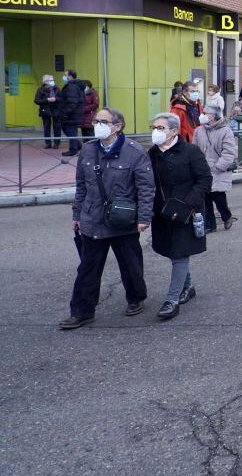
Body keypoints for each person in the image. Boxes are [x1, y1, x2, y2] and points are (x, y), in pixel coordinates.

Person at [60, 107, 154, 330]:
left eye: (103, 121)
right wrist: (77, 214)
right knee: (87, 269)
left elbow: (146, 187)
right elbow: (81, 186)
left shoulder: (134, 151)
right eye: (95, 121)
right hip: (92, 219)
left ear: (117, 126)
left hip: (122, 219)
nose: (97, 125)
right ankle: (81, 312)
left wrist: (144, 217)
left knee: (130, 264)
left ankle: (135, 298)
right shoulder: (88, 150)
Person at [148, 112, 213, 320]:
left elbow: (204, 179)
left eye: (161, 128)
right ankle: (188, 286)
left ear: (174, 131)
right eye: (154, 128)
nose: (156, 132)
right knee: (171, 251)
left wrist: (189, 204)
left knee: (180, 254)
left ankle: (172, 299)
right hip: (161, 213)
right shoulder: (151, 154)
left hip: (186, 212)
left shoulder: (190, 151)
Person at [193, 104, 237, 232]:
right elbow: (194, 149)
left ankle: (227, 217)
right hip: (203, 169)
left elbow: (229, 152)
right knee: (205, 198)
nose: (202, 115)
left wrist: (219, 166)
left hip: (218, 169)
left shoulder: (225, 131)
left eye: (205, 113)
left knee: (218, 197)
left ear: (212, 116)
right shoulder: (199, 130)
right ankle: (210, 225)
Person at [59, 69, 86, 156]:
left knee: (70, 131)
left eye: (65, 75)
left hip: (71, 114)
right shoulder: (75, 86)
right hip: (75, 113)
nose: (64, 77)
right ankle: (77, 145)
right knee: (69, 130)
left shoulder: (72, 87)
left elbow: (72, 102)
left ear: (70, 76)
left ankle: (73, 149)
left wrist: (65, 113)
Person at [34, 74, 62, 149]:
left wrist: (56, 99)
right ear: (45, 81)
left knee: (57, 127)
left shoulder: (57, 89)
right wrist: (46, 100)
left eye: (52, 80)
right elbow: (36, 100)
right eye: (50, 80)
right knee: (46, 127)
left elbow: (61, 99)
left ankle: (56, 143)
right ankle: (48, 143)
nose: (52, 81)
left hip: (56, 110)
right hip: (45, 111)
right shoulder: (40, 89)